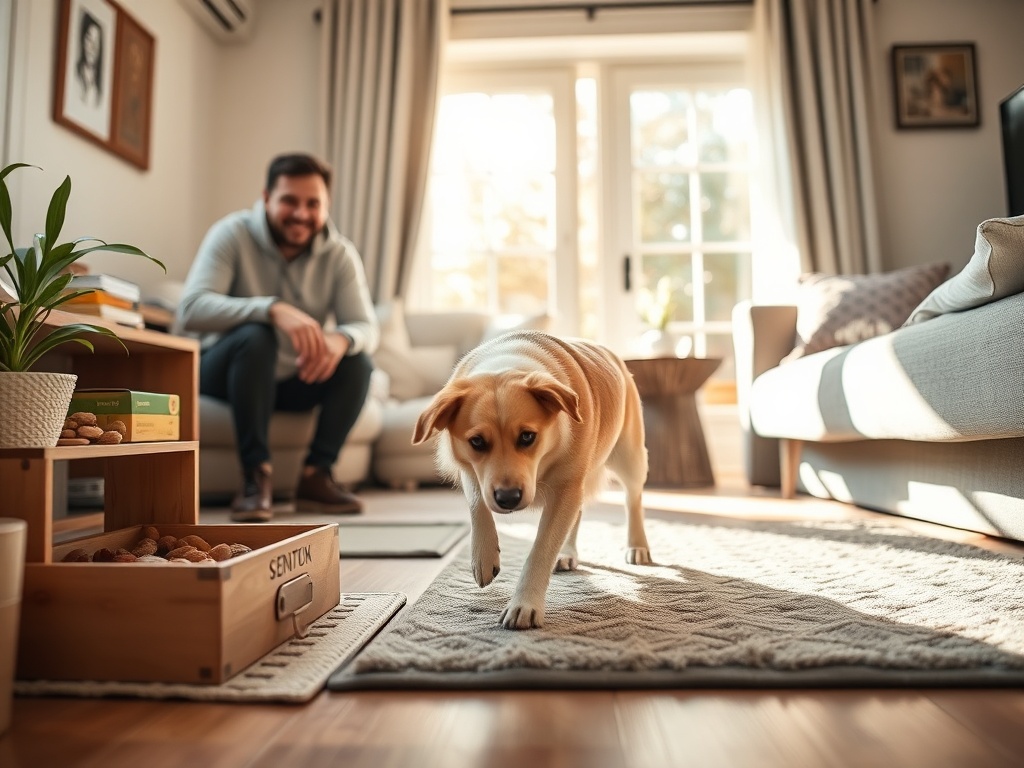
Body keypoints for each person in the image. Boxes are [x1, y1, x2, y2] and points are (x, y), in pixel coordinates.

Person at [177, 153, 379, 522]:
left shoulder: (340, 255)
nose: (301, 213)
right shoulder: (231, 233)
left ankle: (316, 476)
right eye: (289, 200)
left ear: (326, 206)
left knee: (358, 362)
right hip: (225, 373)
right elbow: (190, 310)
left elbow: (366, 327)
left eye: (312, 203)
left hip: (293, 379)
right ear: (267, 197)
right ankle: (255, 477)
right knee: (257, 336)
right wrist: (271, 309)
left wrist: (340, 341)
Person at [75, 10, 104, 108]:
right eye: (89, 39)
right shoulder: (76, 76)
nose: (92, 48)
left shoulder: (98, 90)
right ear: (82, 40)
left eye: (96, 42)